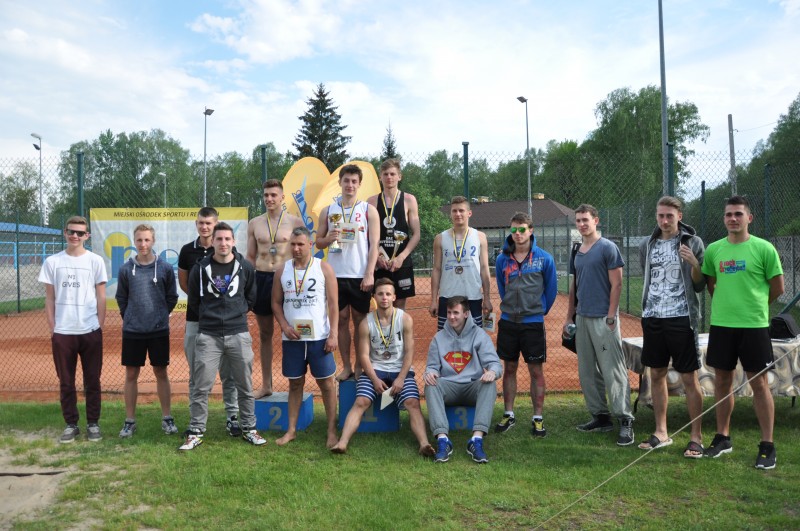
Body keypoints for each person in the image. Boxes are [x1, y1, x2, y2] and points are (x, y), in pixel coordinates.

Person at [701, 195, 784, 469]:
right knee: (722, 381)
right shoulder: (714, 250)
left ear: (749, 218)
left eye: (738, 214)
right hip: (722, 326)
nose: (733, 219)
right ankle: (722, 437)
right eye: (728, 214)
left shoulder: (764, 249)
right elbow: (712, 284)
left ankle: (767, 445)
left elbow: (778, 287)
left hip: (754, 326)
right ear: (724, 219)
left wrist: (755, 306)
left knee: (759, 384)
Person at [179, 222, 266, 450]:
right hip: (208, 335)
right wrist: (211, 317)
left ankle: (249, 428)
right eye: (219, 239)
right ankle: (196, 431)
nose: (223, 243)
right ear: (213, 242)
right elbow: (194, 301)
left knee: (244, 385)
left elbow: (250, 297)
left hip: (238, 333)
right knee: (201, 386)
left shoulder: (244, 267)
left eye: (227, 239)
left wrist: (235, 314)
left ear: (233, 241)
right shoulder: (200, 269)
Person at [331, 278, 434, 456]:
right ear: (374, 297)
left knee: (412, 403)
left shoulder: (405, 319)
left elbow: (409, 352)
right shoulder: (366, 322)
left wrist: (401, 378)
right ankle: (342, 443)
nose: (384, 297)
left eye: (388, 294)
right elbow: (363, 355)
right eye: (380, 294)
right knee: (361, 402)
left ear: (394, 297)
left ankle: (424, 444)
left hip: (400, 370)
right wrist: (374, 379)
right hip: (375, 369)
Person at [638, 196, 706, 457]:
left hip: (681, 318)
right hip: (653, 317)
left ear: (679, 216)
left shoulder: (693, 242)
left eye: (669, 216)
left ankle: (696, 437)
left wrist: (694, 264)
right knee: (656, 373)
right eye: (660, 216)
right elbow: (649, 278)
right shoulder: (647, 244)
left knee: (689, 377)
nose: (664, 221)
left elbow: (699, 285)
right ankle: (661, 432)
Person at [562, 204, 635, 446]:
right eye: (578, 220)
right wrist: (569, 316)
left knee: (612, 370)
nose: (582, 224)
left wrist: (611, 316)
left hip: (603, 319)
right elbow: (574, 286)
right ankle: (601, 417)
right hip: (582, 319)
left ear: (596, 220)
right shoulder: (577, 250)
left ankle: (625, 419)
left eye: (586, 219)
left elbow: (617, 284)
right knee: (587, 371)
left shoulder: (607, 248)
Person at [38, 216, 107, 443]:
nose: (75, 236)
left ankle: (93, 423)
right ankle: (71, 424)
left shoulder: (95, 261)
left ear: (87, 236)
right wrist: (53, 328)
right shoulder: (52, 262)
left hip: (90, 330)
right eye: (71, 231)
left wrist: (99, 325)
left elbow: (101, 296)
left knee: (92, 380)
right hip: (63, 332)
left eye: (80, 233)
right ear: (65, 233)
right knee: (66, 382)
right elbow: (50, 298)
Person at [273, 227, 340, 448]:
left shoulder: (324, 268)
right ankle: (291, 430)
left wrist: (333, 334)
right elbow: (276, 303)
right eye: (293, 244)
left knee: (327, 384)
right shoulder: (282, 270)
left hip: (319, 338)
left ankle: (331, 431)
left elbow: (334, 305)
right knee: (295, 384)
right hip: (292, 338)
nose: (296, 248)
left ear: (310, 244)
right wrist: (284, 326)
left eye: (301, 244)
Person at [178, 207, 240, 436]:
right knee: (197, 373)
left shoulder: (228, 250)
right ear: (196, 224)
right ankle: (195, 421)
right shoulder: (187, 251)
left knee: (229, 373)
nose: (204, 227)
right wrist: (204, 306)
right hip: (196, 321)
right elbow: (185, 284)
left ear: (216, 225)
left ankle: (232, 417)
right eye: (201, 223)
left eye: (209, 223)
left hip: (225, 323)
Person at [493, 213, 557, 437]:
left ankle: (537, 417)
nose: (518, 234)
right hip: (509, 322)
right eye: (514, 230)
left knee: (535, 370)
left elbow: (551, 290)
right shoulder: (502, 259)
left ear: (531, 230)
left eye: (522, 229)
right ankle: (508, 413)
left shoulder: (544, 259)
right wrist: (511, 307)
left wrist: (538, 310)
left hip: (533, 323)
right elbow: (502, 288)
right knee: (509, 368)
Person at [316, 164, 380, 381]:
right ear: (340, 183)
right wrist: (328, 239)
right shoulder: (328, 211)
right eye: (346, 181)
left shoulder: (368, 210)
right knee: (341, 320)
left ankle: (361, 365)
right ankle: (346, 366)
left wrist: (369, 273)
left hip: (360, 275)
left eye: (354, 181)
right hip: (335, 276)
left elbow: (374, 244)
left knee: (361, 322)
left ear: (359, 184)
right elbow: (318, 242)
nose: (350, 185)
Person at [116, 224, 179, 438]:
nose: (143, 244)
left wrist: (160, 316)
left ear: (153, 241)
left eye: (147, 240)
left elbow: (172, 297)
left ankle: (167, 418)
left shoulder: (165, 268)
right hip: (133, 331)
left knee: (161, 372)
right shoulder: (126, 269)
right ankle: (129, 421)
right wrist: (131, 317)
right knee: (131, 374)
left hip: (158, 330)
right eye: (139, 240)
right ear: (134, 242)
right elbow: (121, 298)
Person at [424, 296, 503, 464]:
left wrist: (492, 372)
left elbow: (495, 364)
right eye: (449, 313)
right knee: (431, 385)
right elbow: (431, 366)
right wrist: (430, 373)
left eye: (456, 313)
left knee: (489, 384)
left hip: (472, 386)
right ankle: (443, 440)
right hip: (449, 386)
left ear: (466, 314)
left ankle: (476, 440)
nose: (451, 317)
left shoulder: (480, 335)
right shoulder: (438, 338)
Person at [246, 179, 304, 399]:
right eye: (266, 195)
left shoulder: (295, 222)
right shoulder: (255, 223)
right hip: (261, 279)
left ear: (282, 197)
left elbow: (302, 253)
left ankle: (295, 385)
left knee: (292, 332)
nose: (269, 199)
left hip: (286, 279)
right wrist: (248, 283)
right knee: (265, 334)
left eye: (273, 195)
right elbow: (250, 257)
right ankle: (266, 384)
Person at [430, 196, 492, 330]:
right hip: (447, 297)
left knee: (474, 338)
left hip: (473, 296)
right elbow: (436, 269)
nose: (458, 214)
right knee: (446, 337)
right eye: (454, 211)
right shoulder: (440, 238)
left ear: (469, 213)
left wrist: (487, 298)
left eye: (461, 210)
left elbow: (484, 268)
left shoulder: (480, 237)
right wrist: (434, 300)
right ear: (450, 213)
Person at [367, 158, 421, 309]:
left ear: (399, 176)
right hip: (380, 263)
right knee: (381, 305)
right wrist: (376, 257)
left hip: (401, 263)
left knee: (399, 306)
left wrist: (401, 257)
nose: (389, 177)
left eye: (392, 174)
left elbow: (416, 234)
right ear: (380, 177)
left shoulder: (409, 200)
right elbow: (367, 235)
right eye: (385, 174)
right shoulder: (371, 201)